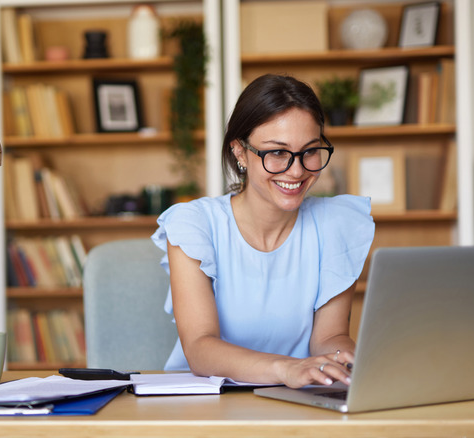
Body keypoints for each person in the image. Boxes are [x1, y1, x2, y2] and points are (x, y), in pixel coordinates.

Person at [151, 74, 375, 389]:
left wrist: (348, 361)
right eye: (278, 153)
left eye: (310, 151)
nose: (296, 171)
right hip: (207, 402)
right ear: (240, 152)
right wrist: (288, 369)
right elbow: (200, 348)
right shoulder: (195, 225)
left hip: (299, 399)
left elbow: (328, 338)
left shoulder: (336, 224)